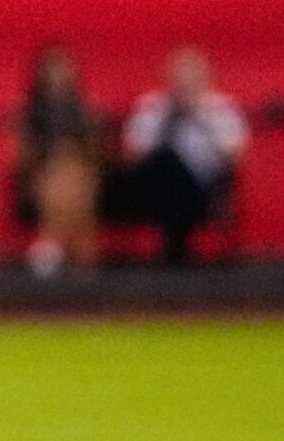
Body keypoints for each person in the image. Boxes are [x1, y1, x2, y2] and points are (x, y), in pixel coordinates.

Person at [115, 46, 248, 264]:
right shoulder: (150, 107)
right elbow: (131, 156)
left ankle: (174, 245)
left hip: (204, 188)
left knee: (175, 166)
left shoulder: (222, 110)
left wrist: (199, 118)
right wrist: (168, 122)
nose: (184, 84)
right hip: (151, 185)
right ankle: (175, 244)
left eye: (192, 77)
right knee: (165, 160)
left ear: (206, 77)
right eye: (179, 77)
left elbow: (235, 158)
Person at [13, 45, 104, 277]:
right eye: (53, 69)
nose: (59, 75)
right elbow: (20, 157)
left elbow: (97, 151)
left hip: (81, 175)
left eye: (63, 68)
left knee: (74, 176)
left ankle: (53, 248)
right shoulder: (31, 114)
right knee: (61, 178)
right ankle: (70, 254)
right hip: (42, 175)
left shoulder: (84, 111)